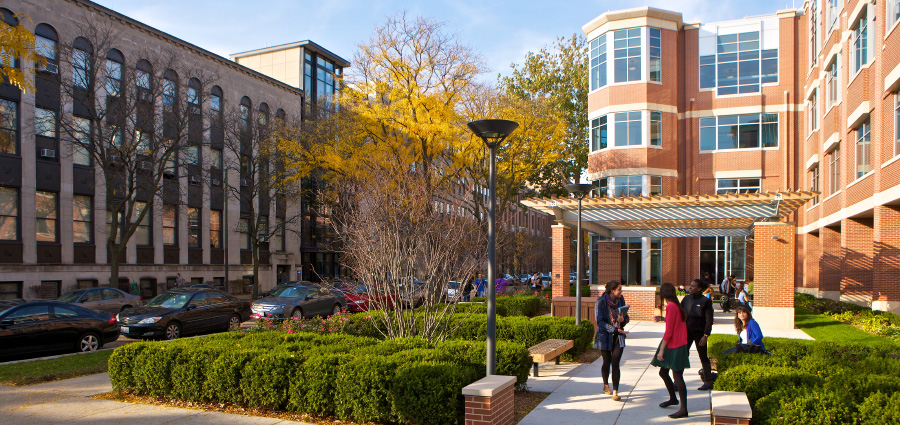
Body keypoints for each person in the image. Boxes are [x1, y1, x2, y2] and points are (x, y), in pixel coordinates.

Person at [652, 282, 690, 419]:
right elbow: (674, 323)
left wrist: (661, 350)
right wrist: (663, 318)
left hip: (676, 345)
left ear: (664, 294)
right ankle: (673, 399)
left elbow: (669, 331)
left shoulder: (671, 306)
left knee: (678, 377)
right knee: (663, 372)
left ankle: (684, 409)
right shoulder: (676, 305)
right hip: (676, 344)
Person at [594, 280, 630, 402]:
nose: (621, 291)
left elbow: (626, 318)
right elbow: (599, 321)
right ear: (612, 291)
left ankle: (615, 392)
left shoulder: (621, 300)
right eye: (619, 289)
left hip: (619, 337)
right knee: (606, 362)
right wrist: (613, 329)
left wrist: (623, 319)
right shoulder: (601, 301)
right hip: (605, 336)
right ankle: (606, 385)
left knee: (615, 362)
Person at [681, 278, 714, 391]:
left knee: (703, 356)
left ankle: (708, 381)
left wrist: (706, 335)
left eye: (693, 286)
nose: (690, 287)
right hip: (686, 332)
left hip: (699, 333)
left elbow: (709, 319)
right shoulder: (686, 298)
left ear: (699, 288)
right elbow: (680, 314)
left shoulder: (705, 301)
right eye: (690, 285)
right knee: (683, 355)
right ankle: (678, 381)